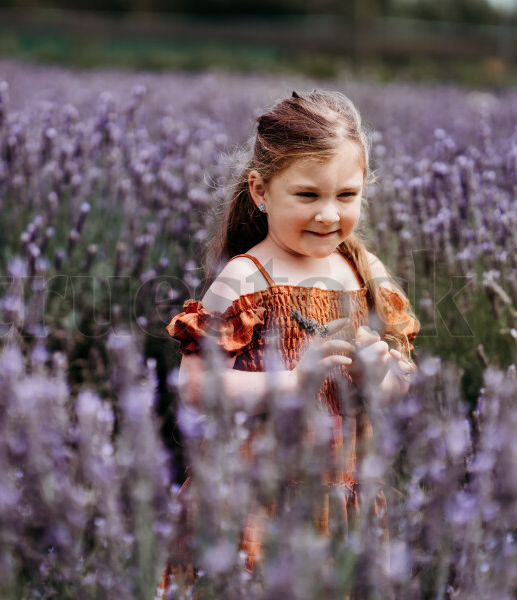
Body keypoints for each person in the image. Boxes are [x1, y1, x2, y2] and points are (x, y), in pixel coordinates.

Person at [158, 90, 420, 595]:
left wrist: (379, 376)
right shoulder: (245, 278)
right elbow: (195, 385)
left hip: (343, 501)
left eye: (346, 196)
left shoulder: (364, 274)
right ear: (261, 190)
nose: (328, 215)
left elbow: (402, 382)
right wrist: (290, 384)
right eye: (307, 195)